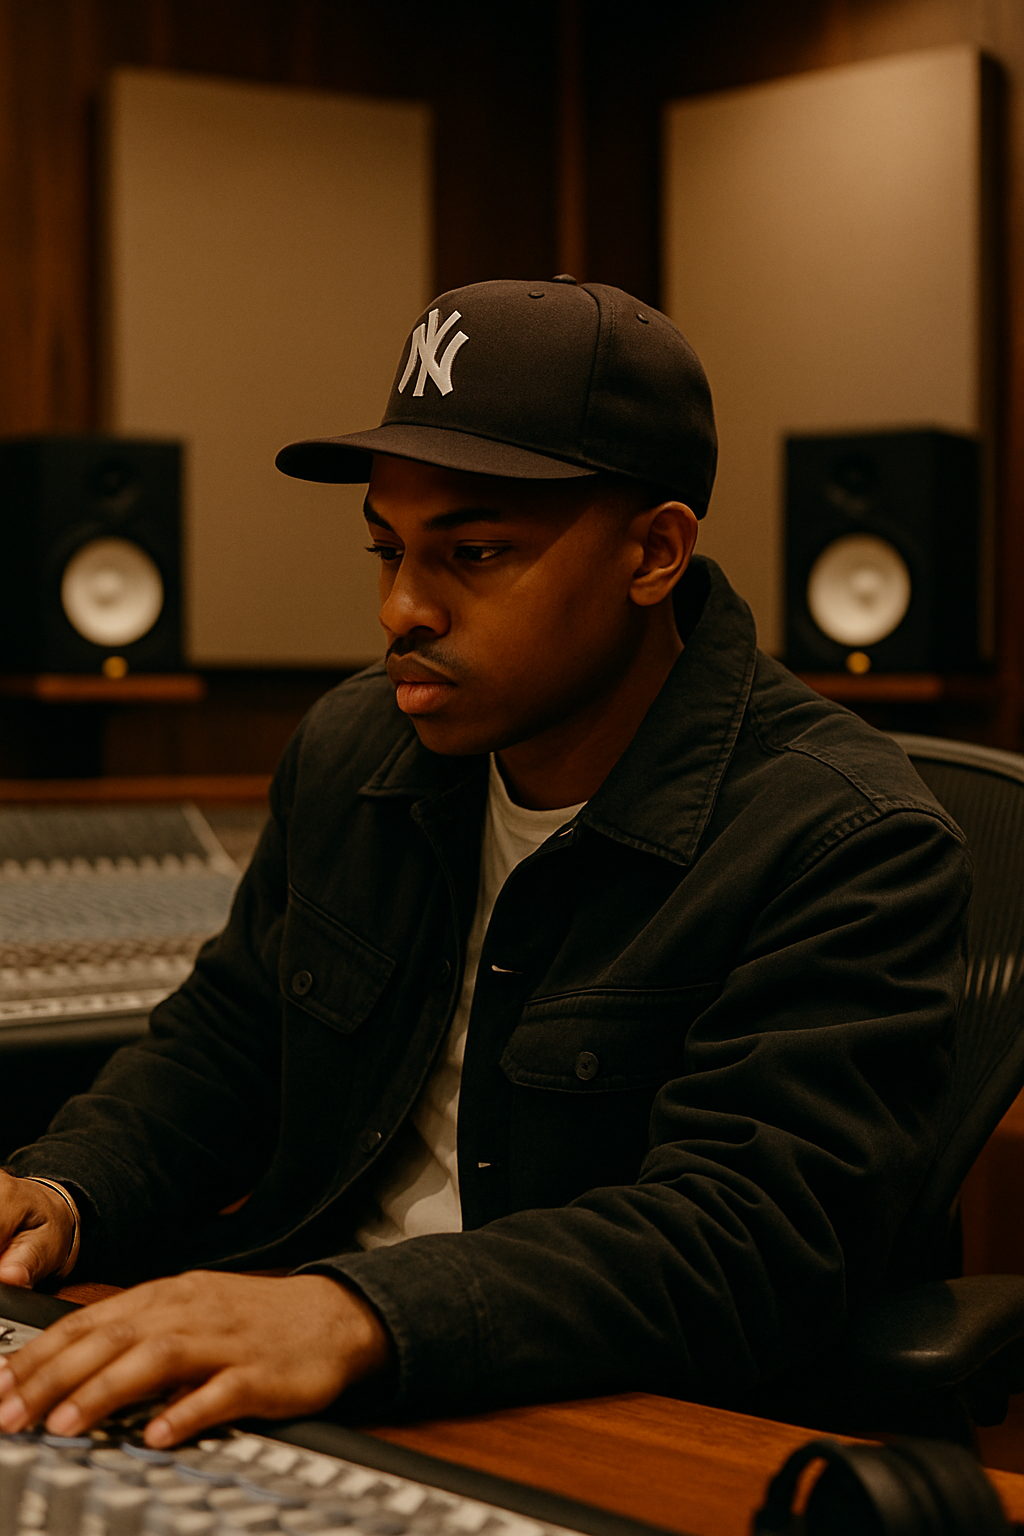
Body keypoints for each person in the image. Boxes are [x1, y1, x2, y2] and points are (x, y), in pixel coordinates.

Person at [0, 278, 969, 1449]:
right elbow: (230, 1042)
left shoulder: (846, 836)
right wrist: (62, 1189)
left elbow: (746, 1235)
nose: (401, 609)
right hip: (320, 1358)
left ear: (654, 552)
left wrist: (355, 1314)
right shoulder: (352, 746)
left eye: (474, 552)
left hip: (612, 1412)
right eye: (386, 549)